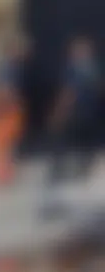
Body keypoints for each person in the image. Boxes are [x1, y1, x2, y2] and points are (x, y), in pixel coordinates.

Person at [46, 35, 99, 191]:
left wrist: (59, 112)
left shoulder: (74, 68)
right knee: (84, 142)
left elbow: (69, 92)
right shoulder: (92, 68)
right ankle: (81, 168)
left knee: (64, 139)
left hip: (77, 112)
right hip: (88, 112)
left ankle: (60, 170)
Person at [0, 36, 28, 187]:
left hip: (6, 109)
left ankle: (4, 174)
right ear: (10, 50)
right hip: (7, 110)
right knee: (3, 143)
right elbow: (5, 90)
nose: (22, 52)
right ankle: (2, 176)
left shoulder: (10, 67)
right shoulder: (7, 67)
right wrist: (13, 104)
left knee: (7, 143)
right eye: (18, 48)